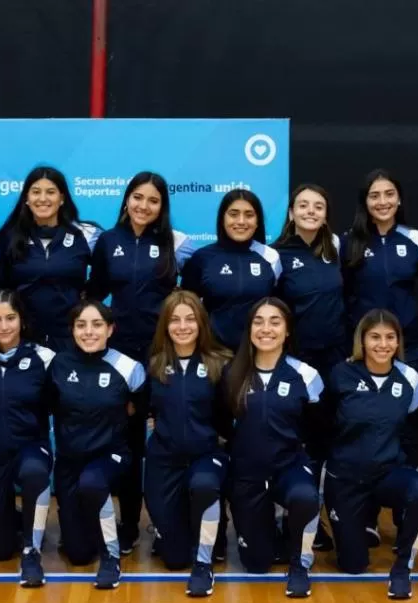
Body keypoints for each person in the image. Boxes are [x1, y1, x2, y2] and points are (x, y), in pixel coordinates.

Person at [87, 171, 195, 554]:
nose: (143, 206)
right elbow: (95, 293)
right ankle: (129, 523)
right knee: (129, 439)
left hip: (162, 356)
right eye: (137, 197)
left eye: (152, 200)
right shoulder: (108, 241)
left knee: (168, 437)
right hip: (119, 358)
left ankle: (172, 520)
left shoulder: (176, 244)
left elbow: (193, 299)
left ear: (162, 207)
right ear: (126, 199)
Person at [324, 309, 418, 599]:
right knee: (353, 565)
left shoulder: (410, 378)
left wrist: (409, 465)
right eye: (375, 337)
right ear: (362, 340)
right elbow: (321, 426)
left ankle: (402, 567)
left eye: (390, 337)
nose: (382, 344)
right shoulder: (341, 375)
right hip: (346, 479)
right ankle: (358, 523)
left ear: (399, 342)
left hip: (387, 475)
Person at [222, 297, 323, 598]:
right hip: (248, 475)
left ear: (288, 330)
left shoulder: (306, 375)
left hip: (288, 468)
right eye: (259, 321)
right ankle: (272, 528)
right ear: (249, 328)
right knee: (256, 563)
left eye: (275, 322)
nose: (266, 329)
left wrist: (305, 463)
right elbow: (222, 424)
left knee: (305, 495)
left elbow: (318, 427)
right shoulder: (231, 373)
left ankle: (300, 564)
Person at [48, 300, 146, 590]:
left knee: (93, 482)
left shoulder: (129, 368)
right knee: (78, 555)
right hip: (69, 460)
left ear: (110, 329)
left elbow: (137, 410)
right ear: (72, 330)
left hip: (110, 454)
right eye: (81, 325)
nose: (88, 332)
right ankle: (90, 531)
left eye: (96, 325)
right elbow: (52, 406)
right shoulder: (59, 365)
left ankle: (111, 557)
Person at [143, 290, 232, 597]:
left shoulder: (220, 364)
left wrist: (220, 444)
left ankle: (204, 563)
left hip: (206, 456)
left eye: (190, 319)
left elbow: (229, 415)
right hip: (164, 461)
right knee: (173, 559)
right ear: (165, 326)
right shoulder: (153, 366)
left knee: (205, 483)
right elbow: (142, 409)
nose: (183, 326)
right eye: (175, 320)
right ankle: (176, 532)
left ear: (201, 323)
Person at [272, 184, 346, 551]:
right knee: (289, 439)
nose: (311, 211)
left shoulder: (337, 251)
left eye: (318, 206)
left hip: (332, 362)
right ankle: (283, 517)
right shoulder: (276, 255)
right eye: (303, 205)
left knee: (321, 442)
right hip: (293, 364)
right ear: (291, 213)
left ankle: (312, 519)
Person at [0, 290, 54, 587]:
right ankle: (11, 520)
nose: (4, 326)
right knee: (0, 552)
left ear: (22, 320)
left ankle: (32, 550)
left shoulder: (44, 358)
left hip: (30, 447)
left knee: (34, 472)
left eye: (10, 318)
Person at [0, 166, 101, 351]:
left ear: (62, 198)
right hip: (22, 339)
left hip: (72, 338)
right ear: (26, 198)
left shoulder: (87, 234)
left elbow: (107, 274)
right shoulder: (7, 237)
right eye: (36, 192)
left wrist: (85, 297)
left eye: (50, 192)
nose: (43, 199)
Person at [341, 170, 418, 364]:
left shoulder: (417, 239)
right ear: (365, 202)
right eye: (374, 196)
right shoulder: (348, 242)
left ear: (399, 199)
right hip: (364, 346)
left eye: (389, 194)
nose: (383, 202)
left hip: (409, 346)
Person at [180, 189, 282, 351]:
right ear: (222, 219)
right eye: (233, 214)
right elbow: (187, 308)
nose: (241, 221)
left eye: (249, 215)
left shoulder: (271, 258)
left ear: (257, 221)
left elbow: (279, 309)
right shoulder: (202, 258)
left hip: (258, 354)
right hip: (214, 355)